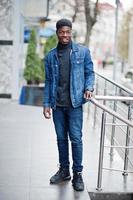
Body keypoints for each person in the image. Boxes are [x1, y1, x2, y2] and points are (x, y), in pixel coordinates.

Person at [43, 18, 95, 191]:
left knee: (76, 139)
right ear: (57, 33)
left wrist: (88, 87)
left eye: (67, 32)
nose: (65, 35)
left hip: (74, 104)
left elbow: (90, 73)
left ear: (71, 32)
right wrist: (46, 104)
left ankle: (77, 174)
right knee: (60, 139)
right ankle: (64, 170)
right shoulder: (50, 56)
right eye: (61, 32)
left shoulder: (82, 52)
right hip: (57, 105)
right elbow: (49, 80)